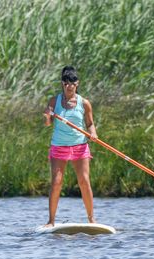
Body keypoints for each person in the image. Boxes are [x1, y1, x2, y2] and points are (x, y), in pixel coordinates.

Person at [43, 66, 98, 227]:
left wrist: (93, 133)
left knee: (84, 181)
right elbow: (48, 124)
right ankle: (51, 221)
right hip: (59, 146)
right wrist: (47, 115)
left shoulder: (84, 103)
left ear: (77, 84)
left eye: (72, 83)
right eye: (66, 83)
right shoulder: (54, 101)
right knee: (56, 182)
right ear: (62, 84)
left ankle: (91, 219)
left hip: (79, 146)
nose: (69, 86)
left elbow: (90, 124)